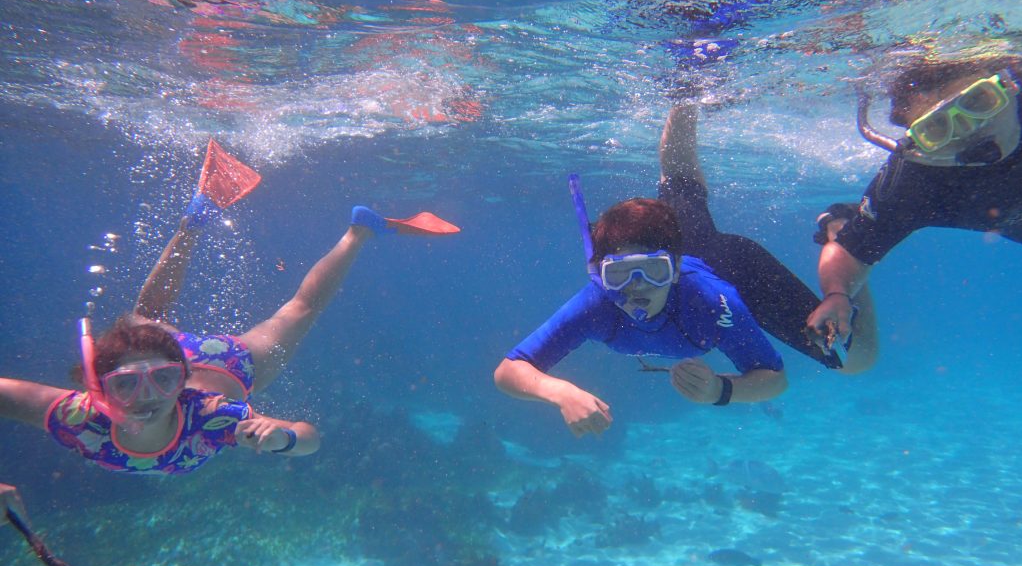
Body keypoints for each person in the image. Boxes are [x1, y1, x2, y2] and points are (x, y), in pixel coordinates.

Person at [0, 149, 458, 475]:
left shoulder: (210, 415)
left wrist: (283, 438)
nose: (148, 395)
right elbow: (308, 437)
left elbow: (309, 437)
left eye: (162, 380)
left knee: (299, 309)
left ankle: (361, 231)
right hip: (171, 351)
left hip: (230, 361)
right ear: (97, 386)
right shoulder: (77, 414)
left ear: (180, 377)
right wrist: (286, 440)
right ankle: (204, 214)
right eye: (124, 385)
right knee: (147, 317)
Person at [494, 194, 788, 438]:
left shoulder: (711, 303)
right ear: (601, 274)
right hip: (678, 247)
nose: (638, 287)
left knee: (828, 353)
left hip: (728, 259)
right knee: (678, 180)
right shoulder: (597, 304)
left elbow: (775, 380)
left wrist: (720, 390)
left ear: (673, 270)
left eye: (653, 271)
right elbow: (508, 370)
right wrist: (559, 392)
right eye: (620, 273)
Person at [806, 53, 1022, 347]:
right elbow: (849, 251)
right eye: (936, 128)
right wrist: (837, 295)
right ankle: (850, 216)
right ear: (917, 144)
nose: (970, 131)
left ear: (1010, 85)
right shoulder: (916, 180)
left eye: (978, 102)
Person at [659, 103, 878, 372]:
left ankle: (846, 243)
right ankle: (845, 240)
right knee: (852, 358)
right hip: (715, 261)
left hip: (729, 267)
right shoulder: (602, 306)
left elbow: (677, 169)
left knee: (852, 357)